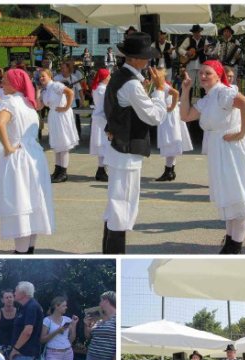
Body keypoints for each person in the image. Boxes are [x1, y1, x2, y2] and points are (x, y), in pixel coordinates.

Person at [180, 60, 245, 254]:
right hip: (220, 149)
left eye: (208, 73)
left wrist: (241, 133)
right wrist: (186, 89)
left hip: (233, 148)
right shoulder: (208, 97)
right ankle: (231, 240)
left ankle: (235, 246)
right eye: (202, 73)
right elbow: (186, 115)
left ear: (218, 75)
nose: (203, 76)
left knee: (238, 197)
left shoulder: (223, 92)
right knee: (230, 197)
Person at [102, 33, 168, 254]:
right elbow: (154, 117)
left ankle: (110, 250)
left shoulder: (120, 76)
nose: (149, 61)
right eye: (146, 57)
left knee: (116, 203)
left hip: (119, 148)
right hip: (126, 151)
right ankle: (115, 253)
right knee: (123, 205)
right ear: (136, 59)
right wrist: (159, 89)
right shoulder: (131, 84)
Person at [0, 68, 55, 254]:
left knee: (19, 203)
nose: (2, 84)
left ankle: (20, 251)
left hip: (18, 157)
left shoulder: (9, 102)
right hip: (34, 155)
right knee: (33, 202)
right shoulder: (28, 102)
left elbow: (0, 123)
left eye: (5, 81)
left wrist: (8, 147)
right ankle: (29, 250)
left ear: (15, 83)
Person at [37, 68, 78, 184]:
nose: (41, 78)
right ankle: (57, 170)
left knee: (63, 144)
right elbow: (38, 107)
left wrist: (66, 107)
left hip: (62, 115)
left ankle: (63, 173)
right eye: (40, 77)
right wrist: (38, 92)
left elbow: (70, 92)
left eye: (43, 76)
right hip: (54, 115)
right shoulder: (45, 90)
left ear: (50, 76)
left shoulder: (56, 86)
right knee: (57, 144)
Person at [155, 77, 192, 182]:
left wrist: (171, 107)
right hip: (170, 116)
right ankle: (170, 171)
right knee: (172, 144)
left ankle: (169, 171)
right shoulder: (161, 85)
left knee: (170, 143)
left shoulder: (164, 86)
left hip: (169, 117)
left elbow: (176, 93)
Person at [88, 68, 110, 182]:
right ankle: (101, 170)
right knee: (104, 144)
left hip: (98, 117)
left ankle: (102, 169)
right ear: (105, 77)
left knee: (102, 144)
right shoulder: (103, 89)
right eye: (109, 76)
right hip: (103, 118)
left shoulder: (96, 88)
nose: (110, 78)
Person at [178, 25, 210, 102]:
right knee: (190, 83)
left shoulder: (205, 41)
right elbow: (180, 49)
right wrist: (186, 52)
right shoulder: (188, 40)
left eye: (198, 32)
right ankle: (187, 103)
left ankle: (204, 103)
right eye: (195, 32)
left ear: (200, 32)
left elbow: (208, 52)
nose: (197, 34)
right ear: (193, 33)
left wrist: (206, 50)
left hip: (201, 64)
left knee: (202, 84)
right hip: (190, 64)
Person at [0, 289, 17, 356]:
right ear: (2, 300)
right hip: (1, 347)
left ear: (14, 298)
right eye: (6, 298)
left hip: (15, 347)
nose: (9, 299)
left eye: (11, 297)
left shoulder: (19, 312)